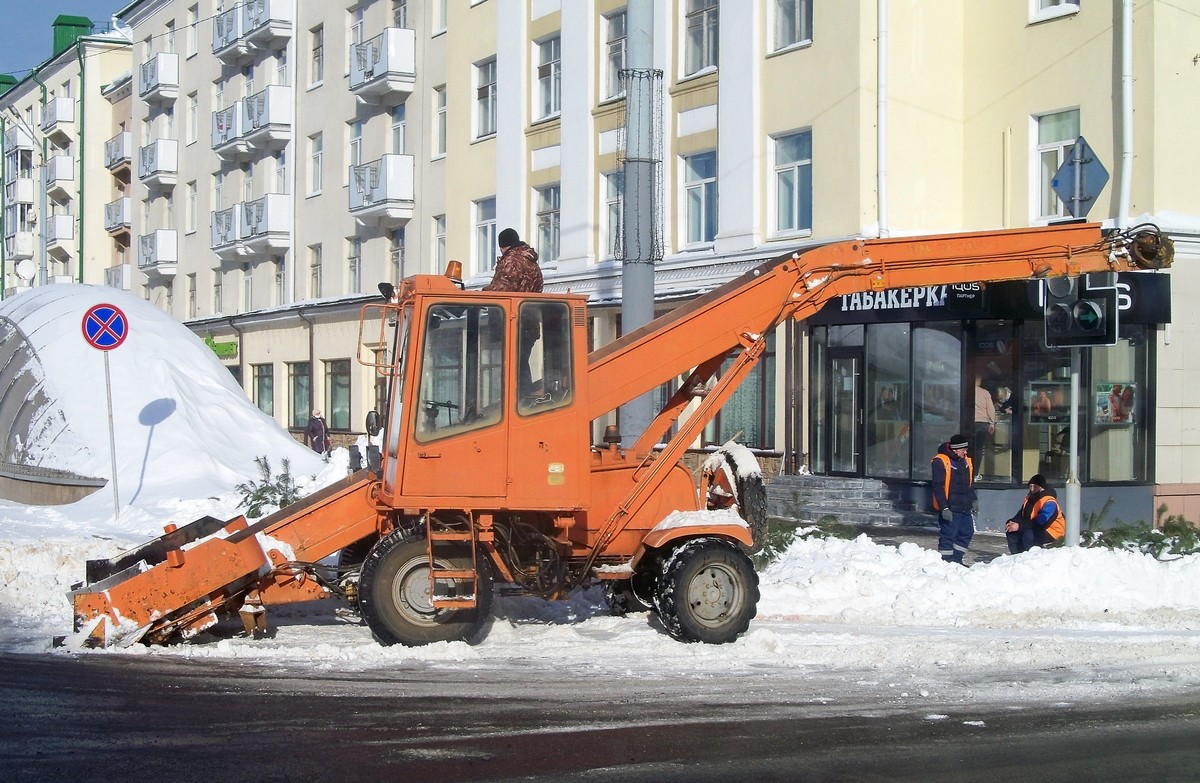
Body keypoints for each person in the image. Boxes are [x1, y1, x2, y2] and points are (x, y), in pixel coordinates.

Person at [930, 433, 976, 564]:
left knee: (967, 532)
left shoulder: (966, 461)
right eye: (963, 450)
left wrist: (973, 499)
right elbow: (938, 487)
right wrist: (944, 507)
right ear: (955, 450)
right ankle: (946, 562)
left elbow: (969, 483)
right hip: (950, 507)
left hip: (964, 506)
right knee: (948, 535)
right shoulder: (940, 461)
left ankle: (956, 560)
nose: (965, 452)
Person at [1005, 474, 1065, 554]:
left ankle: (1031, 557)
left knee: (1029, 534)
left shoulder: (1050, 502)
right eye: (1030, 486)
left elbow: (1041, 522)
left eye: (1035, 486)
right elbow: (1021, 513)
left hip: (1052, 531)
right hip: (1034, 527)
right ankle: (1016, 556)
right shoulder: (1030, 498)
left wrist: (1019, 526)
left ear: (1042, 487)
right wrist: (1012, 522)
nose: (1032, 489)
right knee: (1011, 530)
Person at [484, 228, 543, 293]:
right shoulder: (531, 260)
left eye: (501, 247)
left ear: (502, 247)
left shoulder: (510, 261)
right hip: (530, 302)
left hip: (513, 302)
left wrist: (480, 294)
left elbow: (501, 288)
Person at [972, 375, 996, 476]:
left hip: (970, 423)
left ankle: (968, 471)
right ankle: (975, 473)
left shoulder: (967, 392)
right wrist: (992, 423)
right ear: (979, 381)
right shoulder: (985, 393)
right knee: (979, 449)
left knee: (969, 448)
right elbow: (991, 409)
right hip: (982, 423)